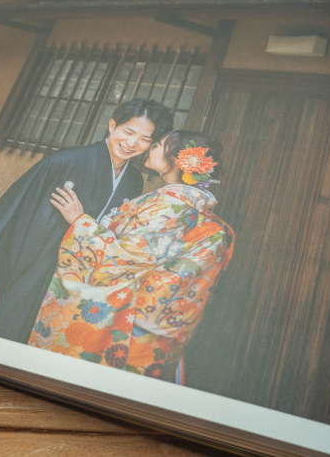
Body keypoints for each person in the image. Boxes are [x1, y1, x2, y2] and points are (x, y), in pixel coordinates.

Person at [0, 99, 174, 343]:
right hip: (26, 274)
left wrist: (80, 222)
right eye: (128, 131)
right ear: (112, 125)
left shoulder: (133, 181)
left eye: (144, 139)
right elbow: (11, 219)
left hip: (71, 288)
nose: (132, 143)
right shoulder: (64, 162)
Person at [28, 131, 234, 384]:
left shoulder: (171, 204)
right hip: (150, 326)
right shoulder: (189, 203)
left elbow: (125, 257)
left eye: (158, 145)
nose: (150, 148)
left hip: (129, 325)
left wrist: (80, 221)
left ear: (178, 159)